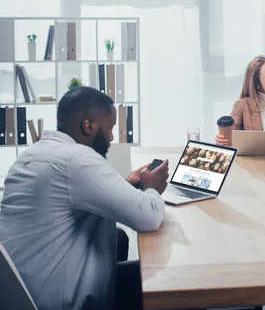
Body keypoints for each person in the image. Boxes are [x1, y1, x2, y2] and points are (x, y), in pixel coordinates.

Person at [0, 86, 170, 310]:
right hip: (58, 302)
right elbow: (148, 217)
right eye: (110, 128)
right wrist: (152, 189)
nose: (111, 137)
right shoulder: (78, 159)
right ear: (88, 125)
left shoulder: (34, 154)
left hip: (23, 294)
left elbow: (71, 195)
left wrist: (125, 186)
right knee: (174, 282)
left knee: (120, 239)